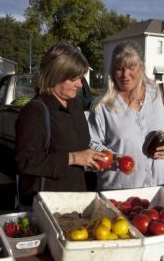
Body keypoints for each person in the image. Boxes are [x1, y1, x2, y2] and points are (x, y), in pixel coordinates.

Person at [15, 42, 106, 206]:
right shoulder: (35, 111)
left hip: (76, 201)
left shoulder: (74, 106)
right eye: (74, 78)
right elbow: (25, 161)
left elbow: (79, 150)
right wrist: (73, 158)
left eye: (81, 77)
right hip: (47, 205)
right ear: (55, 75)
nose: (80, 84)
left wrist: (99, 159)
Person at [89, 40, 164, 191]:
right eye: (119, 69)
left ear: (141, 66)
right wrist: (114, 158)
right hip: (118, 190)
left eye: (131, 67)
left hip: (157, 187)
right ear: (112, 71)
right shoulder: (102, 106)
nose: (125, 75)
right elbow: (92, 143)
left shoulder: (161, 94)